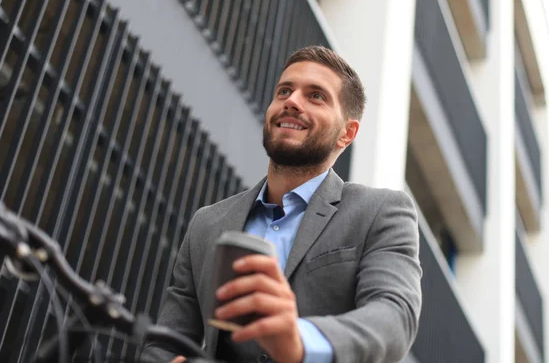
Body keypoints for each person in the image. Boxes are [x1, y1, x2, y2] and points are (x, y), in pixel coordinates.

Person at [141, 46, 422, 363]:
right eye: (284, 91)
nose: (292, 101)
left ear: (347, 133)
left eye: (316, 96)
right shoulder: (206, 224)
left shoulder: (380, 212)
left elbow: (394, 318)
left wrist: (299, 340)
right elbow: (165, 342)